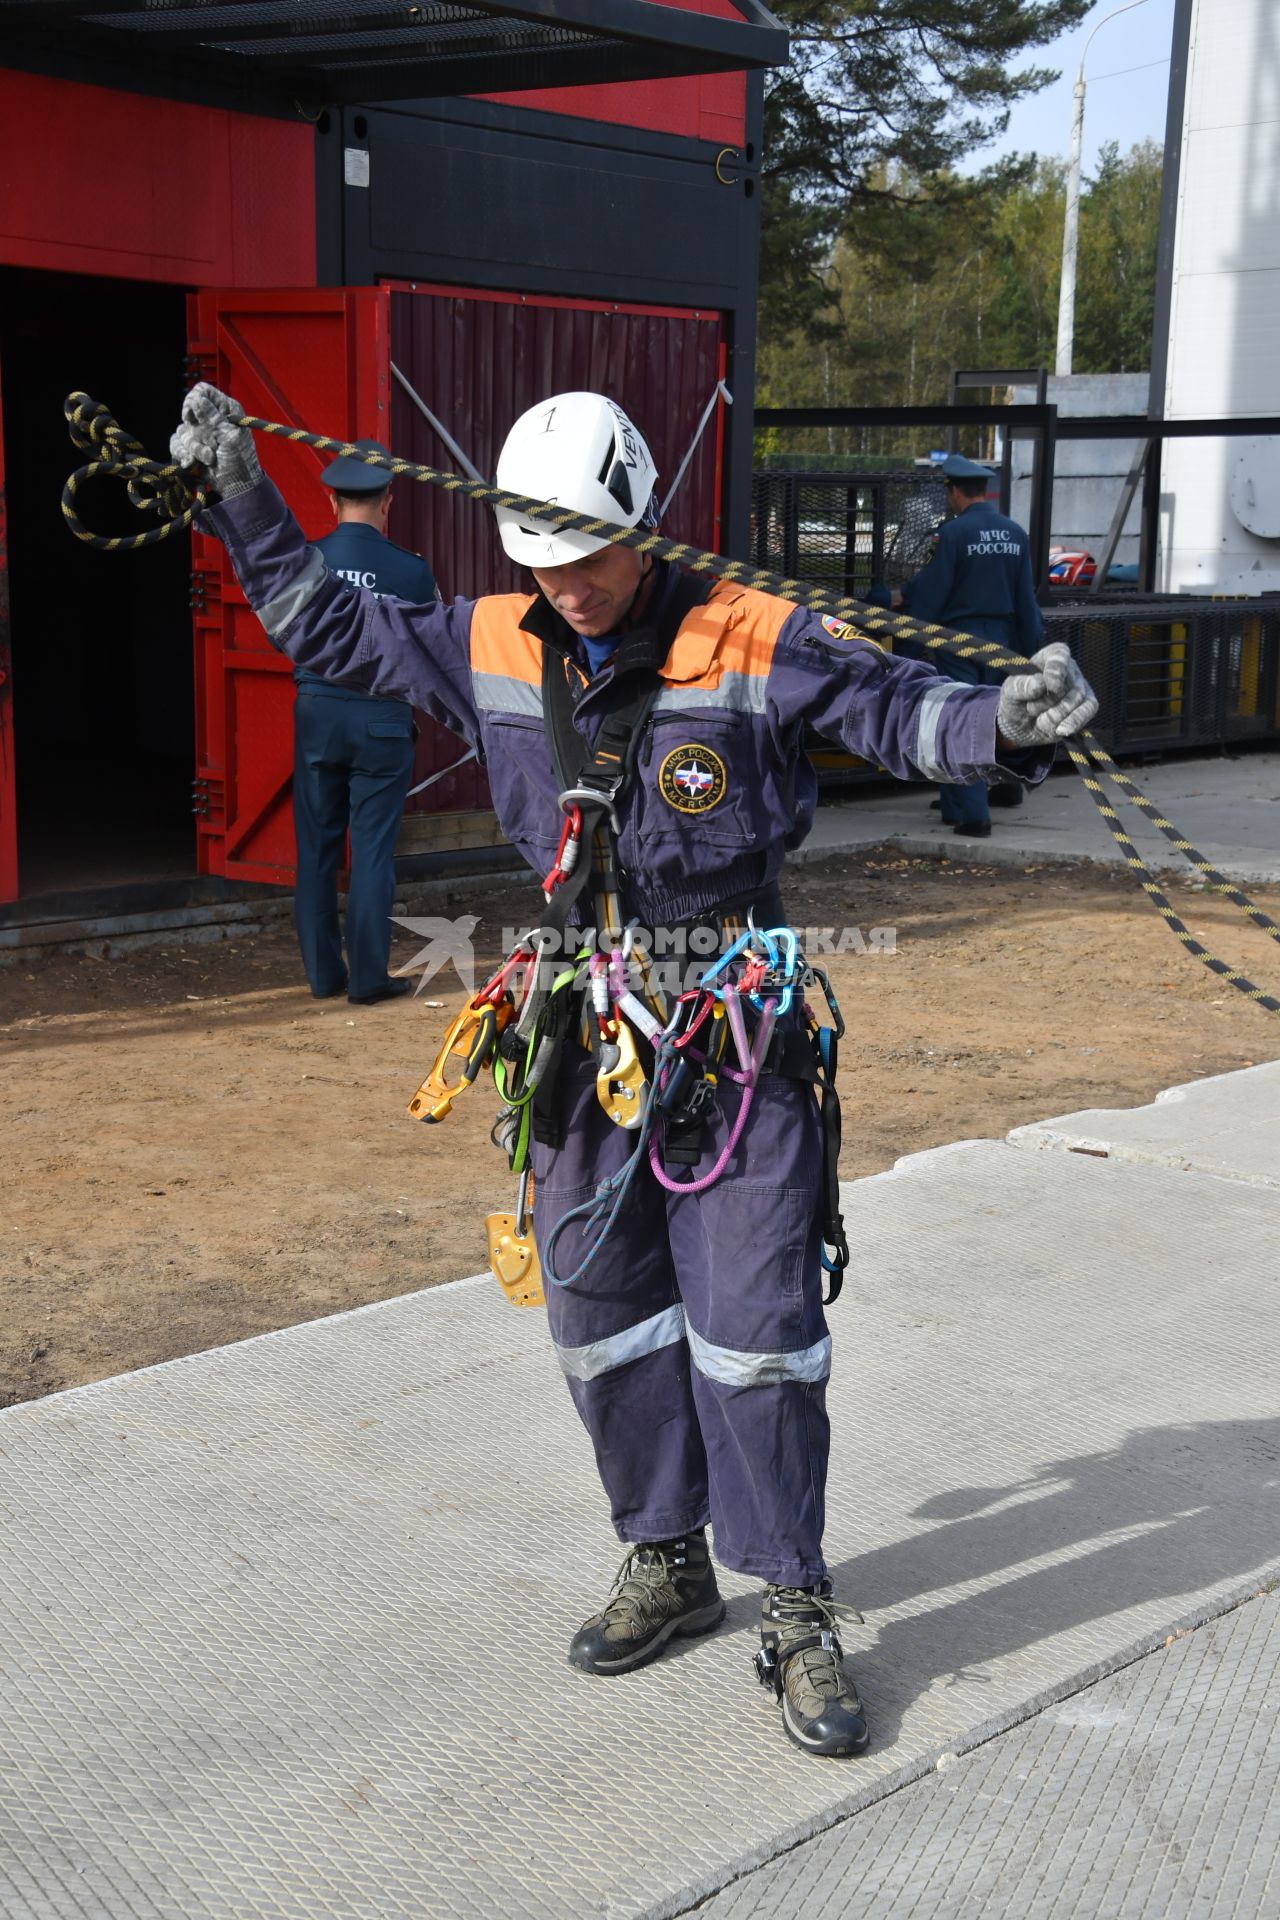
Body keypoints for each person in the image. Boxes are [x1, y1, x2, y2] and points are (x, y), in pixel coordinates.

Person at [172, 384, 1097, 1760]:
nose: (570, 584)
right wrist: (240, 492)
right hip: (578, 1026)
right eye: (542, 557)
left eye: (592, 556)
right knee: (601, 1311)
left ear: (645, 527)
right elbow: (327, 626)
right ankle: (666, 1556)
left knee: (756, 1323)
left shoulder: (749, 632)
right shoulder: (488, 636)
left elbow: (894, 708)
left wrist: (1003, 723)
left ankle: (789, 1601)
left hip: (733, 1036)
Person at [293, 441, 438, 1005]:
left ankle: (324, 976)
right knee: (372, 851)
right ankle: (369, 979)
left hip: (318, 713)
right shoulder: (411, 570)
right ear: (389, 500)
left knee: (316, 850)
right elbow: (425, 649)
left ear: (331, 500)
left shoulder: (305, 560)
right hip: (381, 717)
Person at [895, 454, 1046, 837]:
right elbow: (1026, 600)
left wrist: (904, 655)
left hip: (958, 642)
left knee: (957, 722)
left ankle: (974, 814)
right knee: (992, 720)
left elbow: (931, 596)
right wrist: (1029, 654)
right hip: (1002, 643)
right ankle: (956, 802)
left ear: (956, 492)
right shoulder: (1014, 533)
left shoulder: (951, 534)